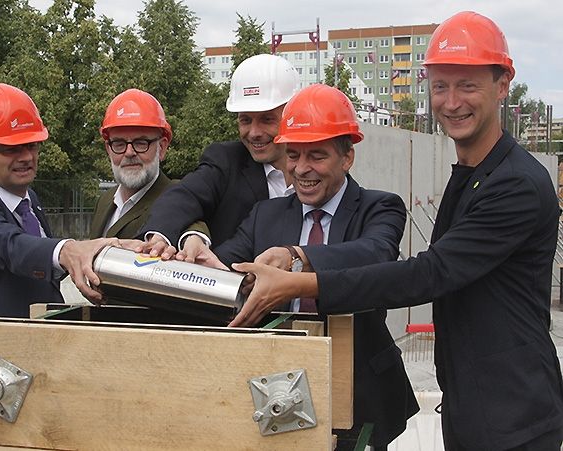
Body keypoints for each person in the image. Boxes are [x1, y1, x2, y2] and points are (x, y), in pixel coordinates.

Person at [231, 11, 563, 451]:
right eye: (441, 85)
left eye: (467, 85)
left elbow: (429, 273)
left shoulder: (515, 184)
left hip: (513, 409)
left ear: (502, 85)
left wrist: (299, 279)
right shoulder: (474, 172)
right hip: (476, 400)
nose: (451, 101)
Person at [191, 84, 419, 449]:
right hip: (277, 390)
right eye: (293, 155)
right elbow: (228, 260)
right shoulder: (265, 214)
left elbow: (374, 254)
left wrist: (298, 255)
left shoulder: (380, 207)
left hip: (361, 394)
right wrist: (201, 254)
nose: (301, 169)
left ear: (347, 157)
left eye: (317, 156)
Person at [0, 83, 139, 401]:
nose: (26, 156)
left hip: (28, 371)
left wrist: (101, 259)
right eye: (11, 148)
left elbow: (44, 270)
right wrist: (69, 249)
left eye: (32, 145)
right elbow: (10, 246)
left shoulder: (31, 200)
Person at [138, 53, 299, 255]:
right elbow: (184, 196)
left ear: (292, 114)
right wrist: (159, 236)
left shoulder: (321, 171)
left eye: (267, 119)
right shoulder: (226, 162)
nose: (254, 133)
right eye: (245, 120)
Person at [89, 89, 174, 239]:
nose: (129, 152)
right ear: (108, 149)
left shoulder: (178, 200)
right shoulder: (105, 201)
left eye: (141, 143)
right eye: (119, 143)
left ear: (161, 148)